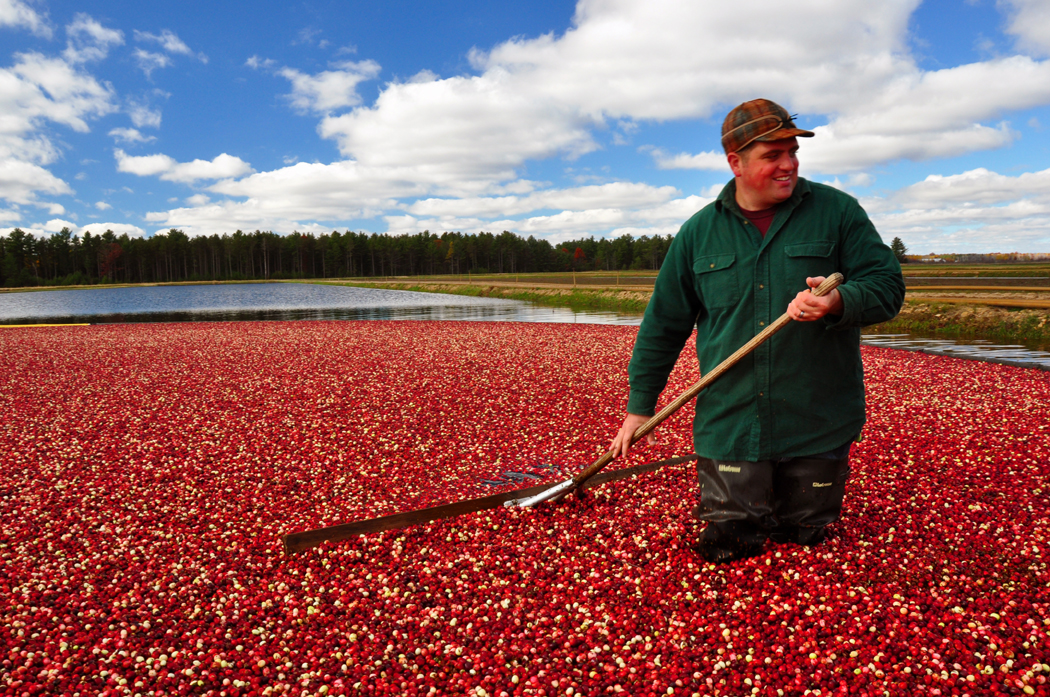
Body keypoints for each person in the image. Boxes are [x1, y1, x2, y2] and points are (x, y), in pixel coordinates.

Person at [609, 98, 905, 564]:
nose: (789, 164)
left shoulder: (839, 213)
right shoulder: (698, 234)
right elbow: (662, 326)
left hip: (818, 420)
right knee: (728, 544)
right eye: (773, 155)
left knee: (806, 540)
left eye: (792, 151)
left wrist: (836, 301)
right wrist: (638, 408)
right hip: (732, 424)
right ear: (736, 163)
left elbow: (888, 287)